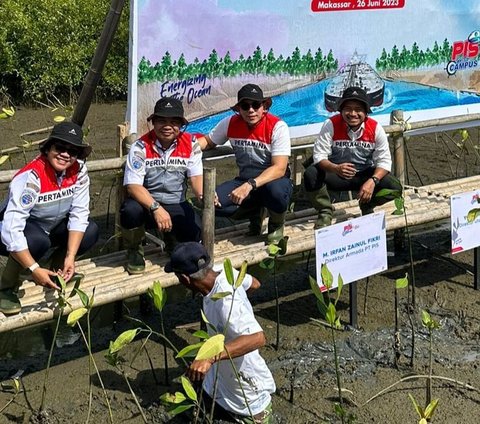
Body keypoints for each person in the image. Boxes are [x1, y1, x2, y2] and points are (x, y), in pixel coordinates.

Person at [165, 242, 275, 423]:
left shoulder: (225, 303)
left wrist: (208, 358)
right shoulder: (222, 272)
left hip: (246, 390)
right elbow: (254, 284)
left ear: (185, 279)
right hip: (219, 381)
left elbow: (258, 338)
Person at [0, 121, 99, 315]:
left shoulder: (78, 171)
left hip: (49, 226)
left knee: (90, 230)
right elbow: (11, 229)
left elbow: (79, 214)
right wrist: (34, 269)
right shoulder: (31, 177)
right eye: (60, 147)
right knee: (38, 241)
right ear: (48, 148)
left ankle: (58, 270)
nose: (65, 154)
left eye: (73, 151)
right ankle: (6, 287)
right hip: (9, 231)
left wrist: (70, 257)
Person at [198, 84, 293, 244]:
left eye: (256, 105)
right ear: (239, 109)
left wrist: (250, 185)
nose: (251, 110)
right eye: (245, 106)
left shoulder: (278, 126)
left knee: (276, 192)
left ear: (264, 107)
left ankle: (276, 225)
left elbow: (280, 168)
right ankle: (255, 213)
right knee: (212, 202)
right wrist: (183, 148)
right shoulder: (230, 122)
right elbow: (208, 141)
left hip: (273, 180)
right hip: (244, 179)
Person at [121, 97, 203, 274]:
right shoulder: (140, 146)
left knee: (196, 233)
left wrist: (204, 195)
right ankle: (135, 249)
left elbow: (196, 178)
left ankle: (171, 239)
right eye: (161, 121)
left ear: (181, 124)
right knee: (130, 211)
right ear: (153, 122)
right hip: (147, 204)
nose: (167, 126)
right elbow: (133, 186)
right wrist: (156, 208)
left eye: (174, 122)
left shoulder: (191, 143)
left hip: (176, 202)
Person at [304, 86, 402, 228]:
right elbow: (319, 156)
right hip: (336, 174)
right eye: (348, 109)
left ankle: (367, 204)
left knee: (395, 187)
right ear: (341, 110)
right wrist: (335, 168)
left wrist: (373, 181)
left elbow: (385, 161)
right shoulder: (330, 124)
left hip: (363, 175)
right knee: (311, 174)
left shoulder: (375, 128)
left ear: (366, 112)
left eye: (358, 109)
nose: (353, 113)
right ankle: (325, 211)